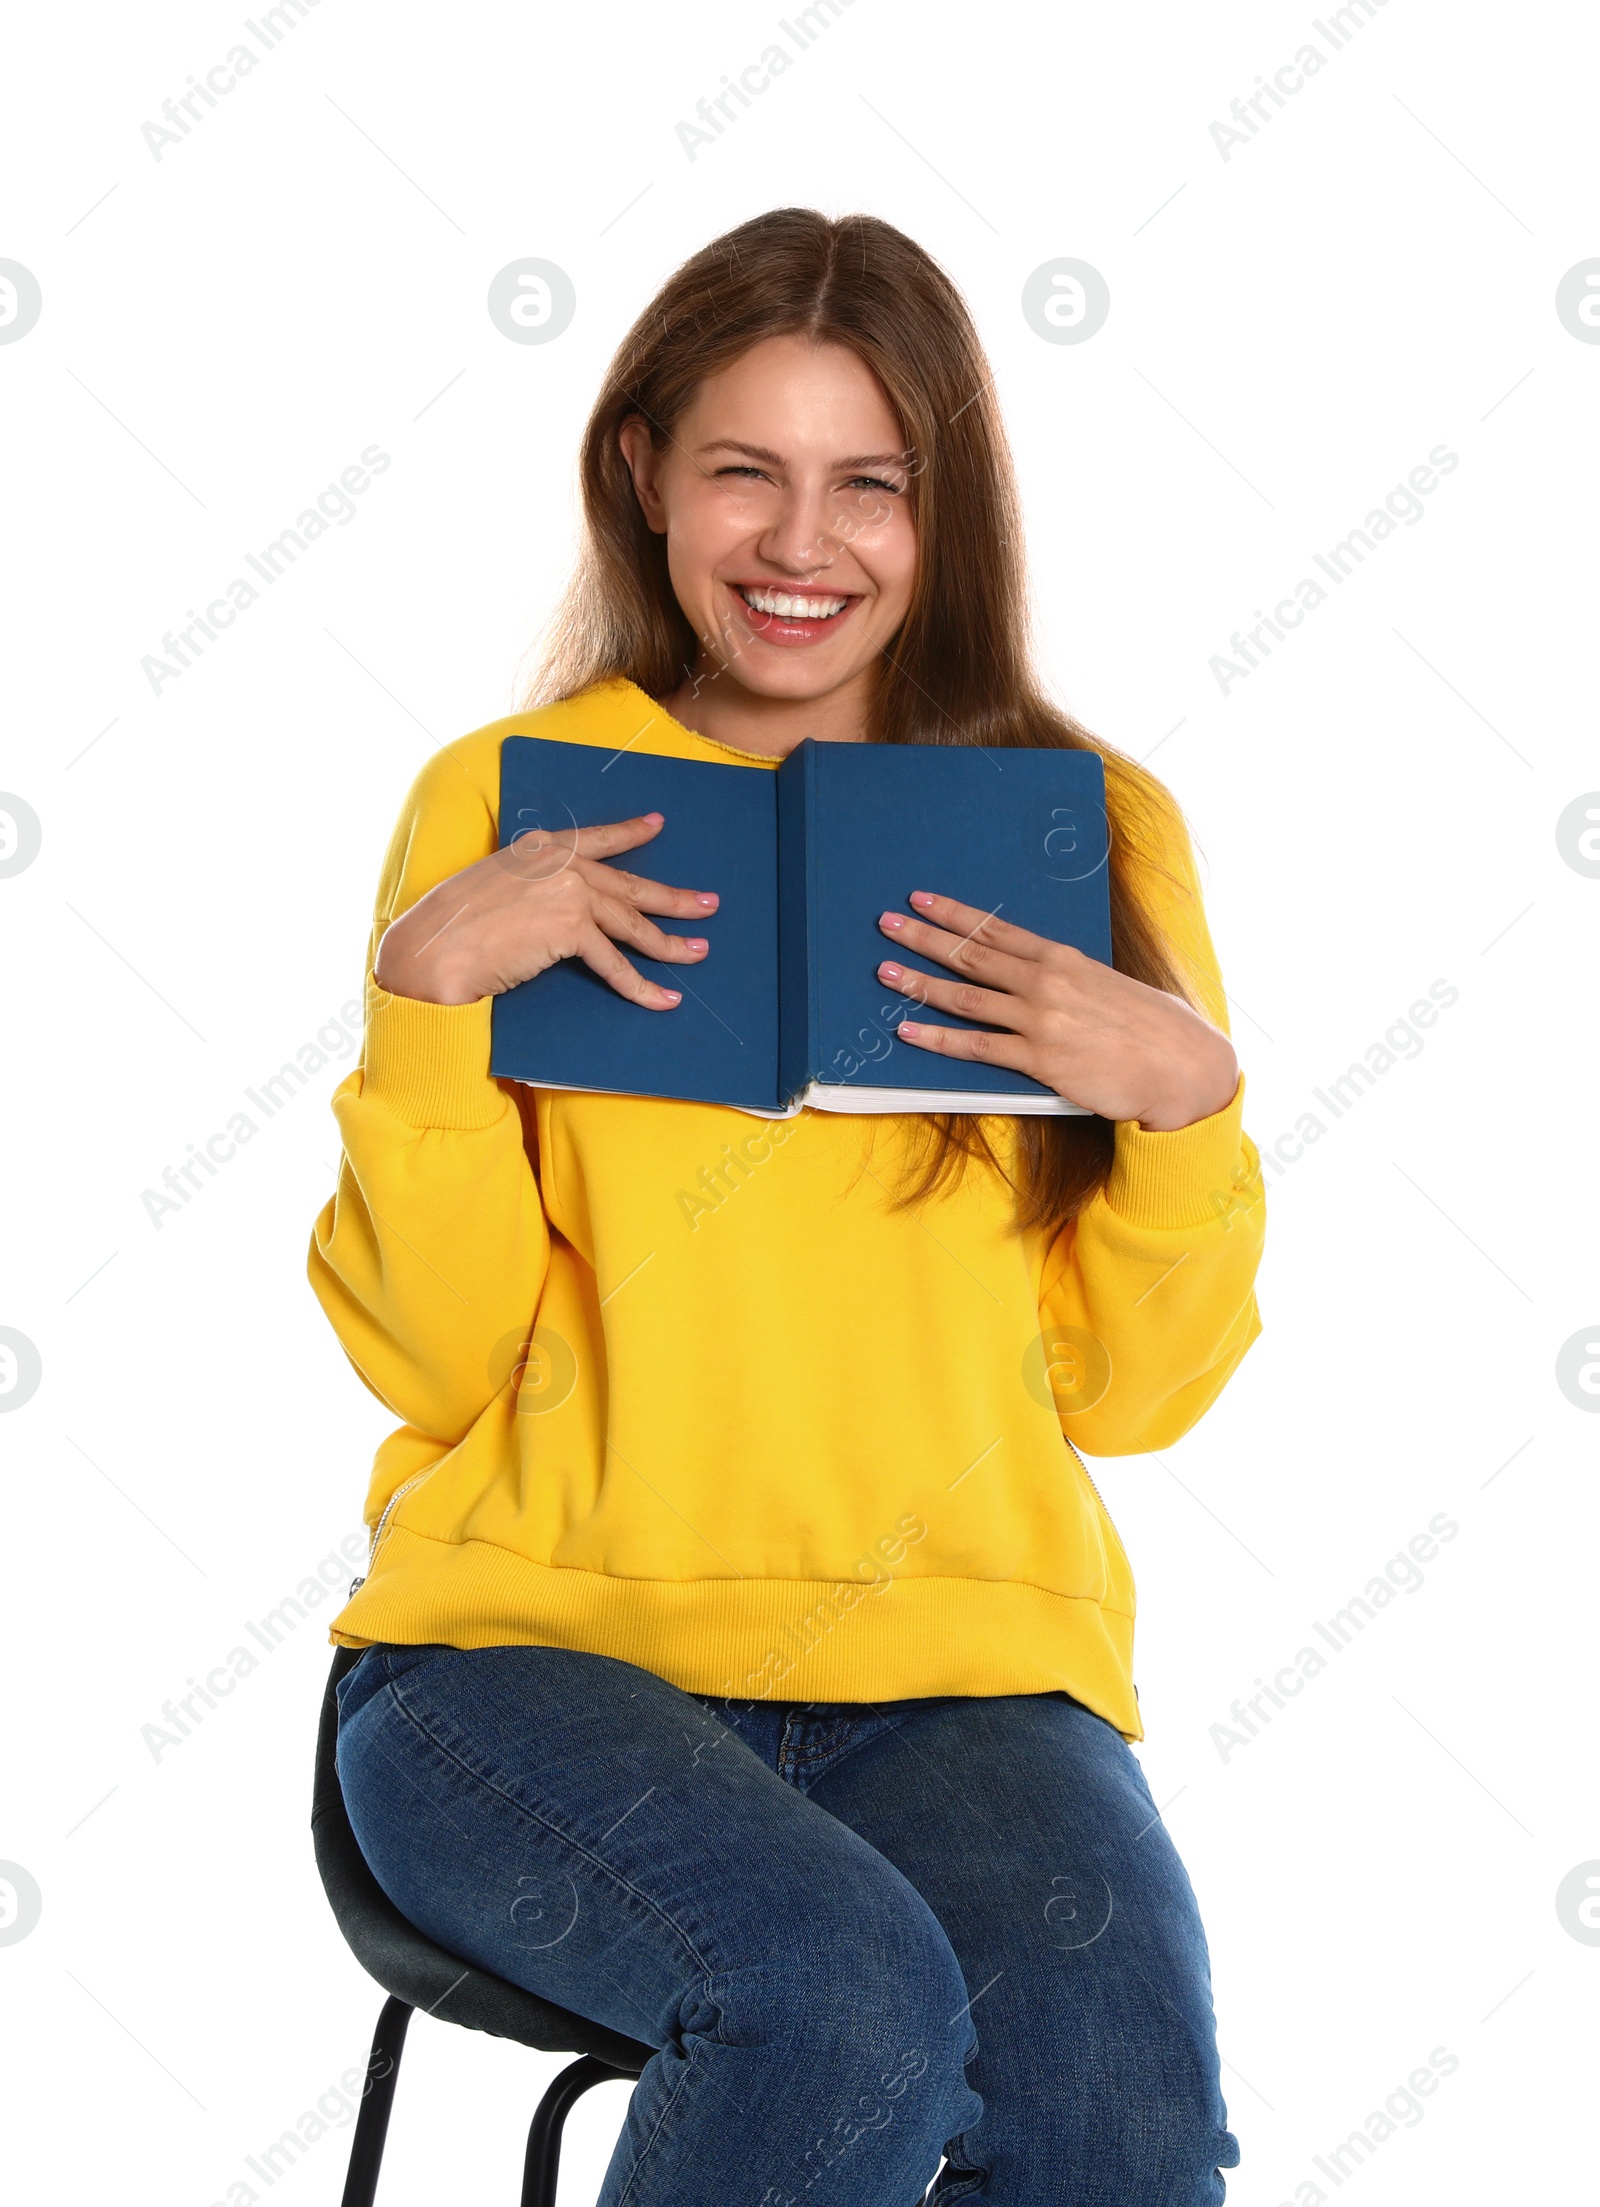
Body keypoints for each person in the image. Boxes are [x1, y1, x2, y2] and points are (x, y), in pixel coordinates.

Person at [314, 206, 1265, 2206]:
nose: (798, 544)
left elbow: (1127, 1396)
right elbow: (434, 1349)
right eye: (742, 468)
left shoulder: (1081, 832)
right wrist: (423, 1013)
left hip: (960, 1681)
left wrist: (1182, 1112)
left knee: (1121, 2113)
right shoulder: (510, 798)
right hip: (522, 1668)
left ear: (948, 513)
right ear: (642, 471)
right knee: (835, 2002)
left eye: (868, 484)